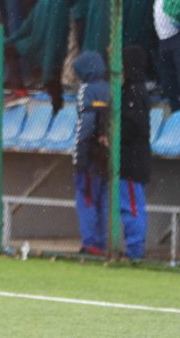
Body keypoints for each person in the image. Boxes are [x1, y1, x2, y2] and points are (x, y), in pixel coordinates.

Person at [10, 0, 73, 113]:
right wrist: (12, 38)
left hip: (51, 48)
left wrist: (49, 59)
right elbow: (30, 21)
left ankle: (57, 112)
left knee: (53, 80)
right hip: (39, 43)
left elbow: (54, 33)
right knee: (10, 48)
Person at [71, 49, 110, 256]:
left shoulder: (87, 90)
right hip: (105, 153)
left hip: (90, 154)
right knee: (102, 200)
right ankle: (101, 243)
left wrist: (80, 155)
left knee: (86, 198)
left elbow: (85, 125)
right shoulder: (108, 88)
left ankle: (90, 243)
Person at [119, 44, 151, 259]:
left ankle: (135, 252)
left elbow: (134, 126)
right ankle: (133, 250)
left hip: (132, 161)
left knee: (132, 207)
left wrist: (113, 134)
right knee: (129, 206)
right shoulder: (131, 89)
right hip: (129, 159)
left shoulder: (133, 91)